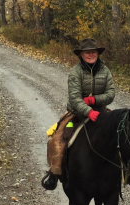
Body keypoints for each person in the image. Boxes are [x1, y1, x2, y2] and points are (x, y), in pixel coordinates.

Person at [42, 38, 117, 190]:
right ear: (81, 54)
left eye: (93, 52)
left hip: (101, 112)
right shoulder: (75, 72)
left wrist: (94, 99)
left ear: (98, 53)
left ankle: (128, 173)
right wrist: (88, 111)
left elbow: (111, 94)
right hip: (77, 114)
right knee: (58, 139)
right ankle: (54, 173)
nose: (91, 54)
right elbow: (74, 98)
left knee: (119, 136)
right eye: (87, 52)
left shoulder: (105, 70)